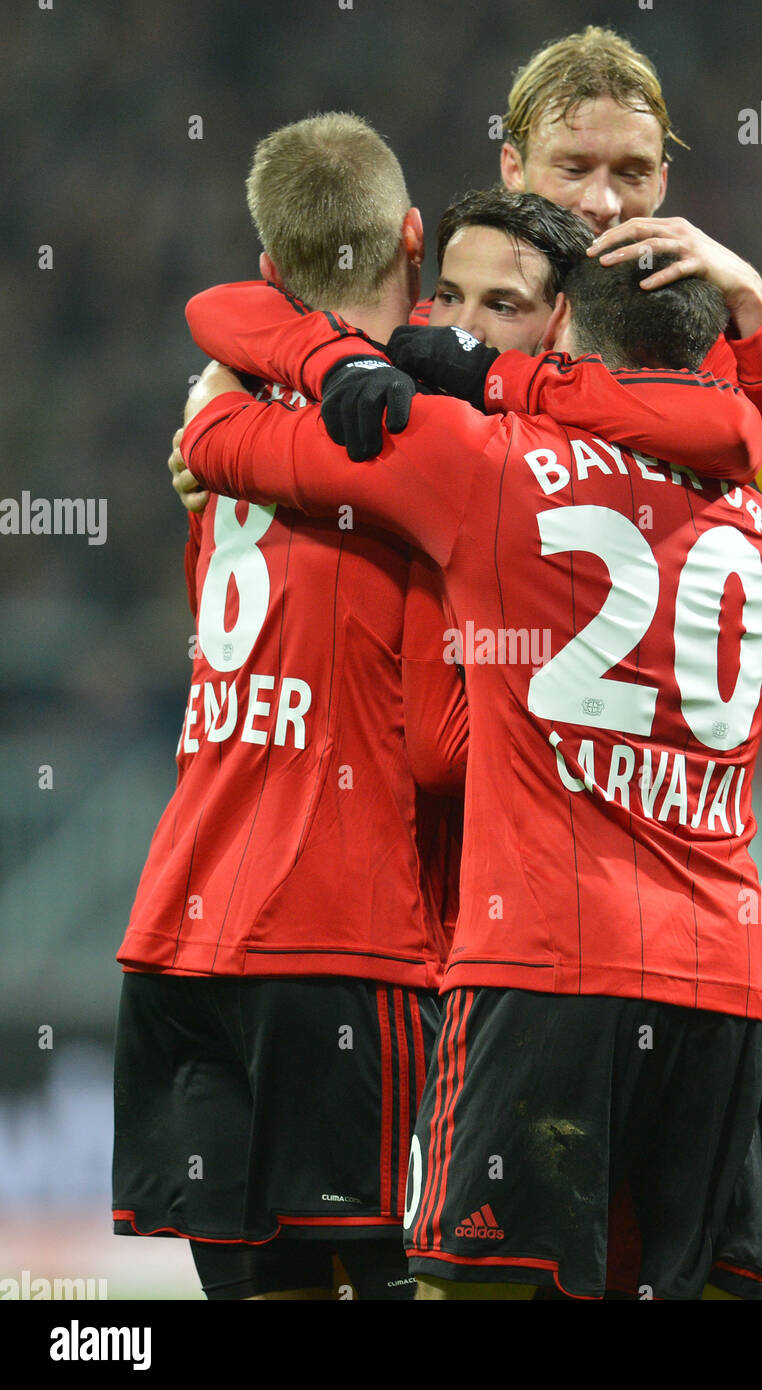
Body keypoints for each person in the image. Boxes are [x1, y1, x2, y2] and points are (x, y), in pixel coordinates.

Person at [174, 219, 762, 1300]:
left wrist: (214, 411)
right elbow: (743, 428)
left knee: (481, 1288)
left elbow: (232, 444)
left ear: (567, 335)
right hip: (724, 987)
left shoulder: (489, 466)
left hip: (546, 967)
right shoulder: (760, 520)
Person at [113, 111, 462, 1302]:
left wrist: (214, 420)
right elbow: (428, 745)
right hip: (339, 927)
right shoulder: (413, 441)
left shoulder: (222, 419)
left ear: (273, 268)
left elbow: (220, 319)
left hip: (182, 927)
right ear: (414, 238)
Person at [410, 24, 762, 525]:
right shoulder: (447, 330)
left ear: (661, 182)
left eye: (631, 173)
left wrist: (753, 301)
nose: (602, 204)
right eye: (574, 170)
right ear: (513, 168)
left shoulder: (693, 339)